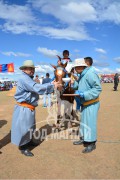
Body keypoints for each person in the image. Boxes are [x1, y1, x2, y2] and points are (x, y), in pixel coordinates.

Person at [11, 60, 58, 157]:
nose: (32, 70)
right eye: (30, 68)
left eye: (32, 68)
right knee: (24, 128)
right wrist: (52, 86)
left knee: (30, 127)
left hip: (29, 107)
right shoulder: (24, 78)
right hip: (24, 107)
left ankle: (28, 141)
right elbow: (36, 87)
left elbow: (37, 87)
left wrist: (51, 84)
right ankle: (23, 147)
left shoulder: (28, 78)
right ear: (24, 69)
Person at [72, 59, 102, 153]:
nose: (75, 69)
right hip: (85, 103)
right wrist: (74, 82)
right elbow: (77, 86)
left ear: (82, 66)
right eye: (75, 68)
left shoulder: (90, 74)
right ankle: (84, 138)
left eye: (76, 67)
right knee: (84, 122)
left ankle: (92, 143)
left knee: (90, 123)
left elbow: (97, 89)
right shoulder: (82, 74)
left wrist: (85, 94)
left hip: (91, 103)